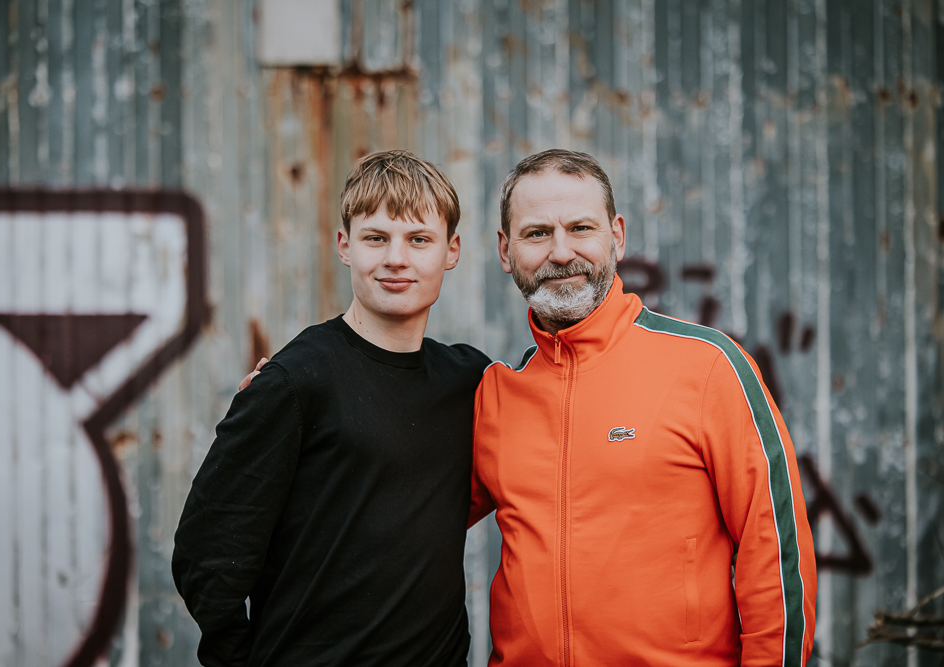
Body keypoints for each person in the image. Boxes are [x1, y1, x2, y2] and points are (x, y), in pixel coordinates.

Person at [468, 149, 817, 666]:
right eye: (537, 233)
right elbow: (407, 527)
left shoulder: (707, 367)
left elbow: (775, 552)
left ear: (618, 236)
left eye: (581, 228)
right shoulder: (497, 395)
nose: (561, 252)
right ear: (505, 250)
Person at [172, 150, 491, 667]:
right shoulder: (295, 381)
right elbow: (206, 556)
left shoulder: (470, 381)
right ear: (345, 246)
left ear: (451, 251)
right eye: (375, 238)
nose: (396, 259)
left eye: (418, 240)